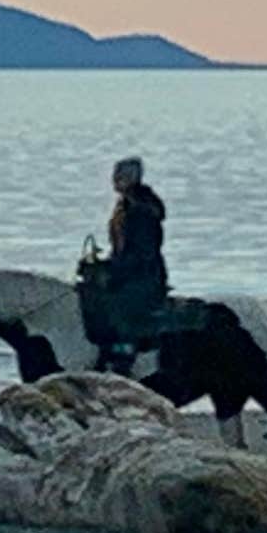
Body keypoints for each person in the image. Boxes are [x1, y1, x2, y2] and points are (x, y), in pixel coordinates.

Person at [83, 154, 171, 373]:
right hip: (129, 270)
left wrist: (113, 272)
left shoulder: (141, 210)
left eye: (119, 175)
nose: (114, 179)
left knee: (120, 307)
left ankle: (124, 358)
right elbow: (122, 250)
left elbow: (142, 253)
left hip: (145, 275)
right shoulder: (125, 205)